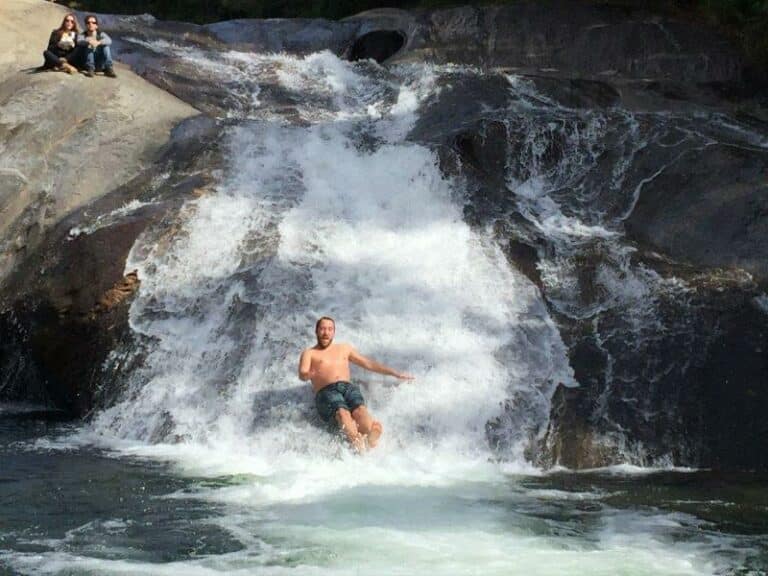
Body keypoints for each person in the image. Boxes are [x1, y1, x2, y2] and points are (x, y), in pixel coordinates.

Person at [299, 316, 414, 453]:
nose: (326, 332)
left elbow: (368, 364)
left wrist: (394, 373)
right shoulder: (309, 353)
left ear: (334, 332)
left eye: (330, 329)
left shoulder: (344, 348)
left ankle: (370, 436)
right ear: (316, 331)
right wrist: (307, 375)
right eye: (323, 329)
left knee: (360, 411)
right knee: (343, 413)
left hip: (347, 387)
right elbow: (302, 372)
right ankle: (356, 442)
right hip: (326, 391)